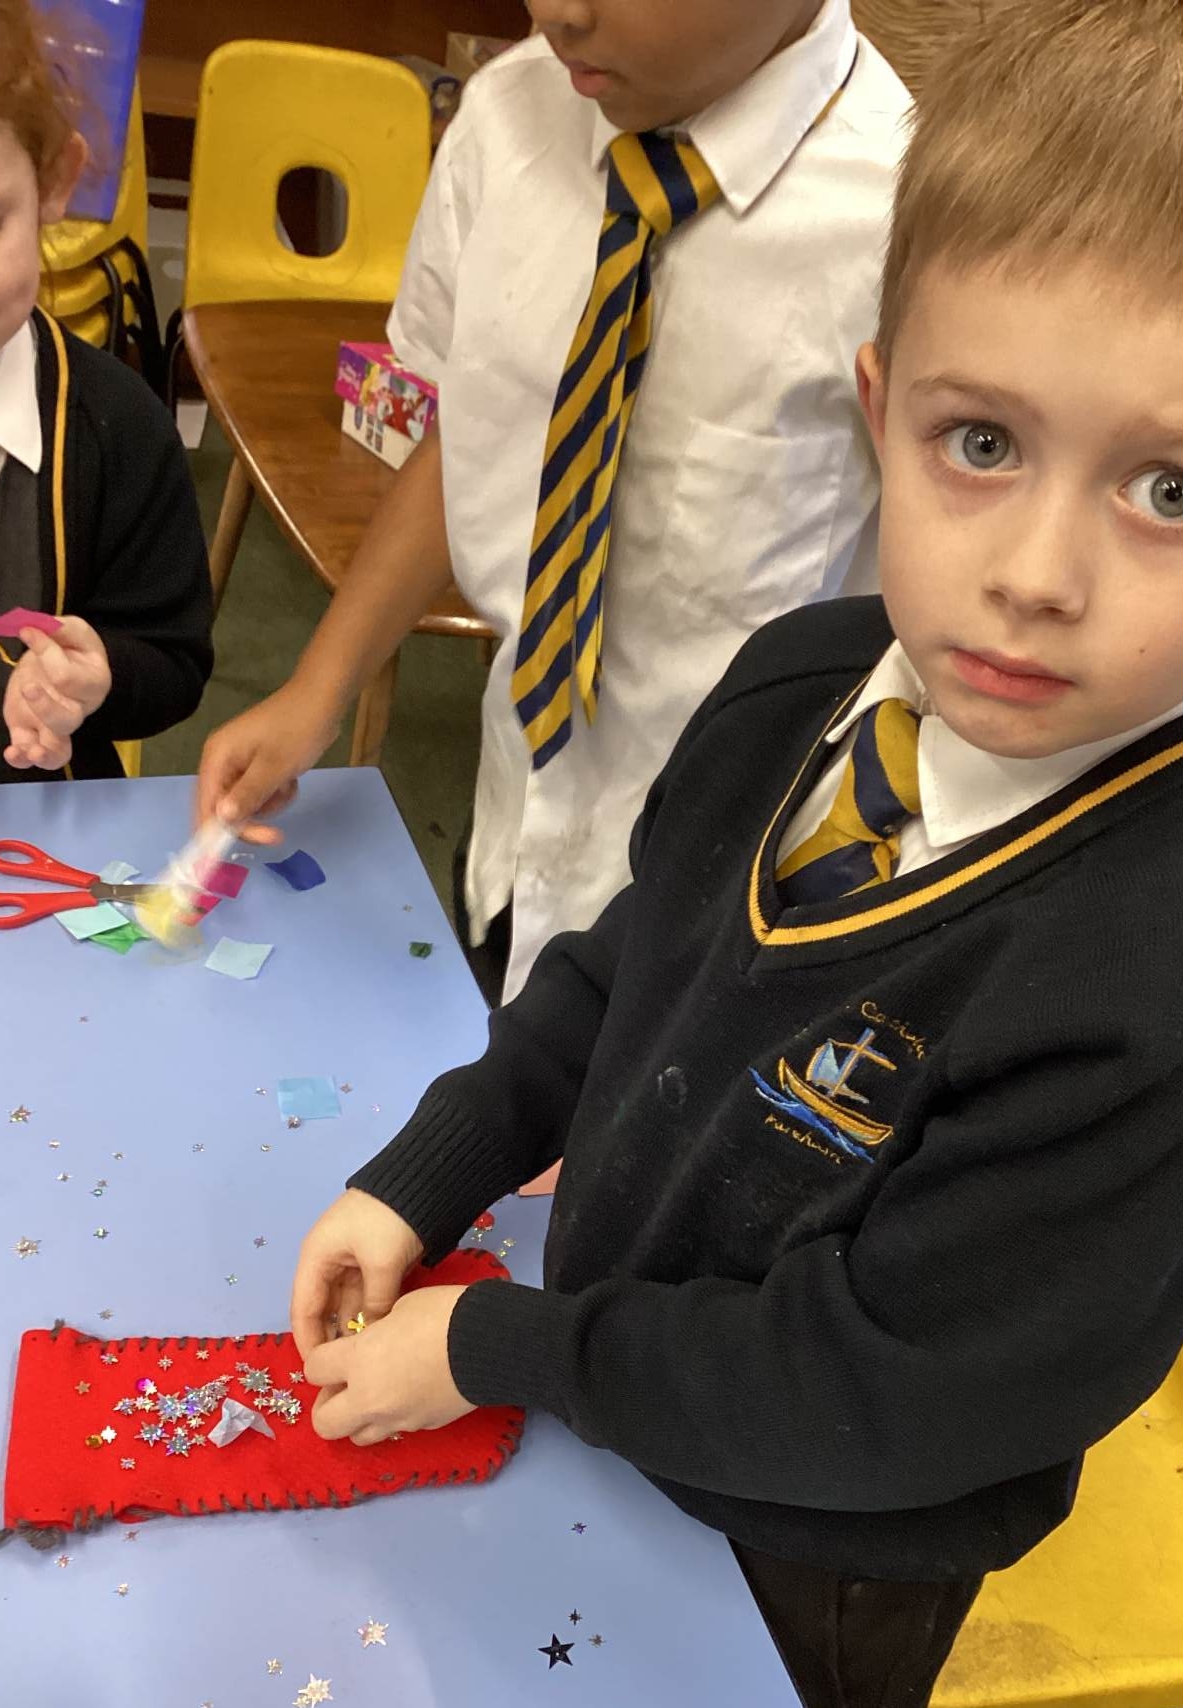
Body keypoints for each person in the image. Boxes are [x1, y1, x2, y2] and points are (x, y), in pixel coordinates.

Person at [283, 0, 1183, 1708]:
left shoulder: (1172, 991)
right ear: (881, 412)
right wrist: (439, 1167)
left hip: (822, 1551)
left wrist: (499, 1351)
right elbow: (627, 965)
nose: (1034, 574)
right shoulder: (801, 680)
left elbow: (869, 1396)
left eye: (1172, 491)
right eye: (982, 442)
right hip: (616, 1388)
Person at [195, 0, 910, 999]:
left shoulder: (911, 219)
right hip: (516, 826)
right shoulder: (507, 117)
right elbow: (478, 436)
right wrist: (320, 688)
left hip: (731, 909)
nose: (559, 11)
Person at [0, 0, 212, 784]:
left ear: (54, 183)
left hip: (38, 825)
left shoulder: (118, 429)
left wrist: (98, 678)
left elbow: (175, 661)